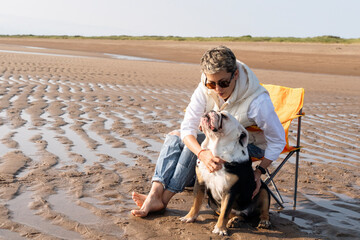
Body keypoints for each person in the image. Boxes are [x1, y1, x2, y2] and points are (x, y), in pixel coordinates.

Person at [131, 46, 286, 217]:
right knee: (175, 137)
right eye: (211, 83)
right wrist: (201, 153)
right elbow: (187, 127)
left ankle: (165, 199)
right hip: (218, 139)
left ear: (235, 75)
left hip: (248, 145)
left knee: (202, 144)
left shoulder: (258, 101)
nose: (217, 89)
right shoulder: (204, 87)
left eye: (223, 83)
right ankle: (155, 193)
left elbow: (278, 140)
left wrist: (259, 172)